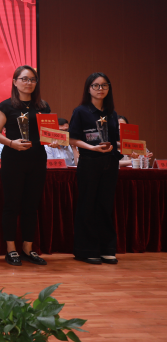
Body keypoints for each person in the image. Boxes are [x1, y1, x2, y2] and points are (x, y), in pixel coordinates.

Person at [0, 66, 52, 267]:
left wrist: (54, 140)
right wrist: (11, 143)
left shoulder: (43, 106)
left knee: (31, 205)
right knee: (12, 204)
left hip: (37, 159)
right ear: (15, 82)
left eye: (32, 79)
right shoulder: (6, 106)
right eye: (24, 79)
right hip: (13, 159)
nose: (28, 83)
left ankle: (27, 248)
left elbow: (49, 132)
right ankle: (11, 249)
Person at [69, 72, 121, 265]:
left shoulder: (112, 113)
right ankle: (87, 250)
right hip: (89, 162)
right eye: (96, 85)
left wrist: (131, 149)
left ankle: (107, 249)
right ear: (88, 88)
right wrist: (92, 148)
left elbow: (115, 141)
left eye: (104, 85)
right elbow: (72, 138)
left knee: (105, 206)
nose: (100, 89)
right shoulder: (81, 111)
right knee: (88, 204)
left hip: (110, 163)